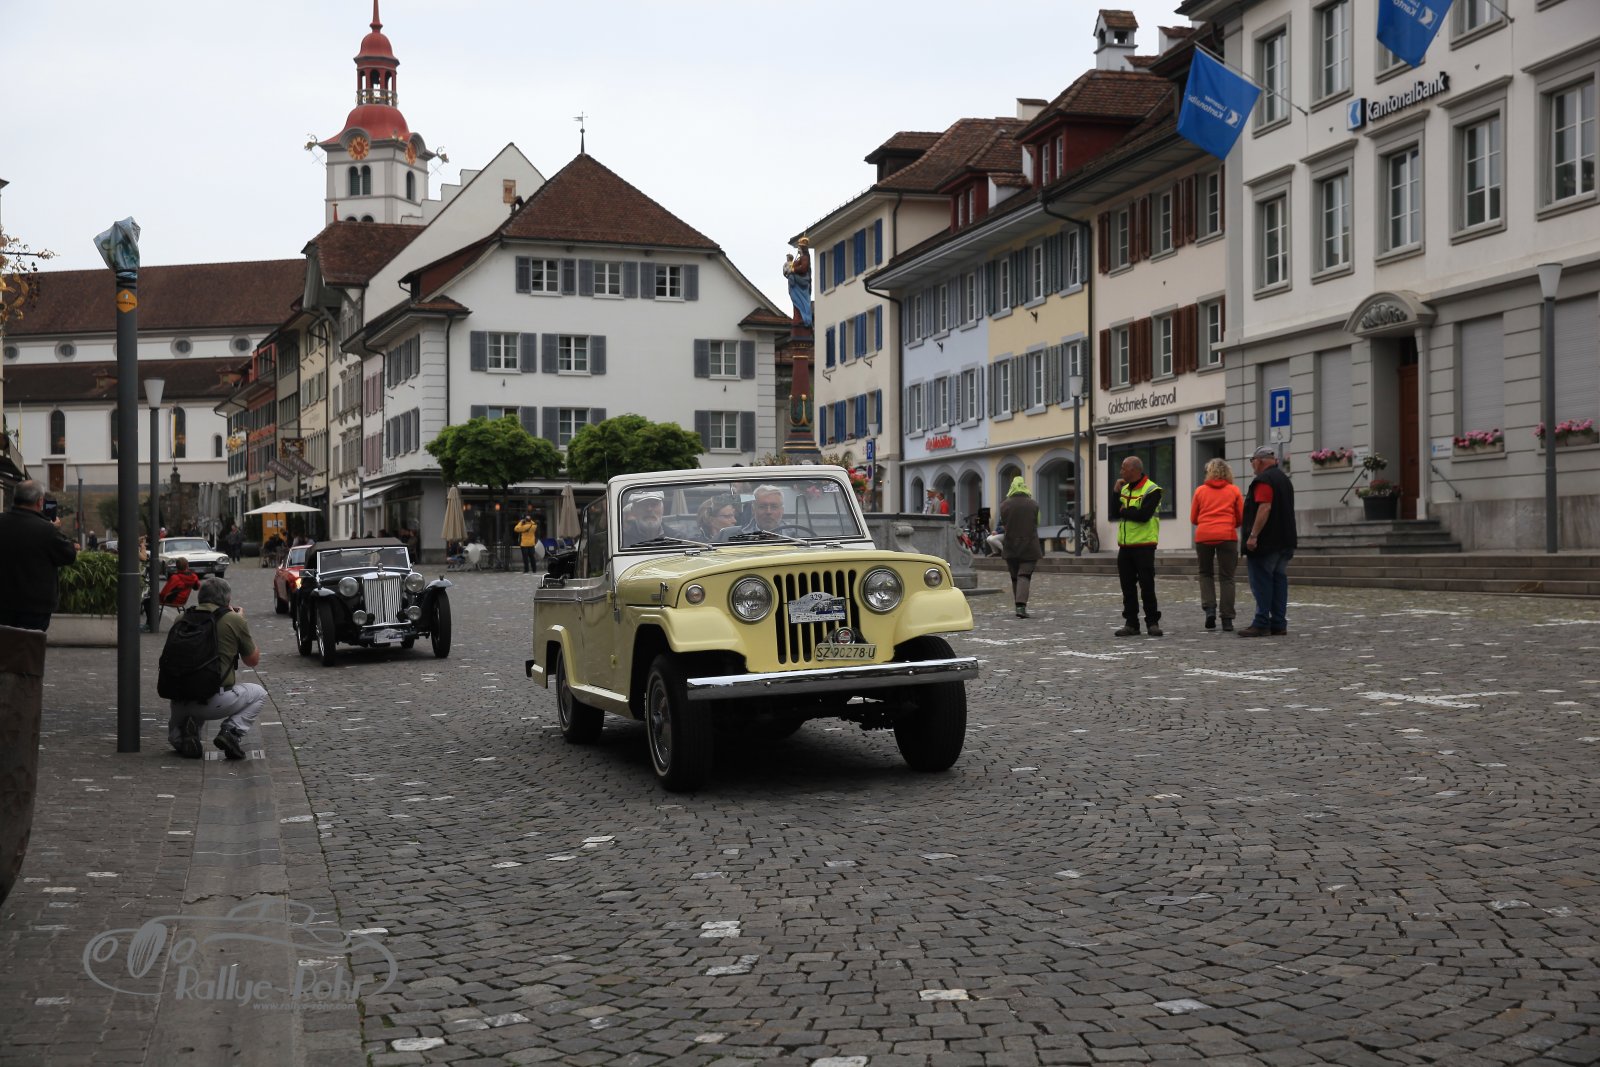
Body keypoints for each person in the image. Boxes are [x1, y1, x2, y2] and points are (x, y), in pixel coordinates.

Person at [165, 577, 266, 760]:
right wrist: (241, 623)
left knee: (178, 738)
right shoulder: (233, 619)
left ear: (200, 597)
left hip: (179, 699)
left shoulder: (182, 618)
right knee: (258, 693)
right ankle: (231, 732)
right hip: (215, 700)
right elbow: (252, 660)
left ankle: (184, 733)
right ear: (227, 600)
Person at [0, 479, 80, 631]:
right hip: (34, 607)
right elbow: (69, 555)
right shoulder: (46, 530)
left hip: (2, 603)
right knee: (30, 645)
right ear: (39, 502)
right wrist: (54, 529)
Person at [1239, 445, 1298, 638]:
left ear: (1260, 461)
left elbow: (1265, 507)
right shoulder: (1284, 479)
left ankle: (1261, 622)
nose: (1252, 464)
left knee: (1262, 582)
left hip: (1267, 542)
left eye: (1252, 460)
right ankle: (1279, 623)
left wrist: (1253, 535)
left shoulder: (1264, 480)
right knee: (1279, 581)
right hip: (1285, 540)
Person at [1190, 458, 1244, 632]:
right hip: (1227, 536)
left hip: (1204, 535)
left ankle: (1210, 609)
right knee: (1227, 577)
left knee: (1205, 573)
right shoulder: (1234, 490)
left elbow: (1193, 518)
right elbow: (1241, 517)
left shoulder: (1200, 491)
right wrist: (1229, 524)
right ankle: (1227, 619)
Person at [1112, 456, 1163, 637]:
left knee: (1147, 586)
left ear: (1134, 470)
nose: (1120, 472)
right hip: (1125, 546)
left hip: (1144, 545)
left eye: (1123, 468)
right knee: (1127, 587)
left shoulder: (1152, 489)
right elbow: (1114, 512)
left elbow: (1143, 515)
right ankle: (1131, 623)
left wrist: (1124, 511)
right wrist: (1116, 493)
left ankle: (1152, 623)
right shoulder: (1124, 489)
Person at [998, 477, 1041, 619]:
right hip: (1030, 546)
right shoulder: (1033, 504)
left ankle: (1018, 606)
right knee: (1024, 576)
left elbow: (1003, 523)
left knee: (1015, 577)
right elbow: (1038, 522)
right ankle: (1021, 607)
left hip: (1010, 546)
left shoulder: (1004, 505)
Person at [783, 237, 813, 328]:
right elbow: (795, 266)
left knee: (801, 301)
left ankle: (804, 318)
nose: (798, 249)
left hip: (802, 282)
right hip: (798, 283)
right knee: (796, 301)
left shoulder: (805, 257)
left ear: (803, 248)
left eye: (799, 247)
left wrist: (792, 270)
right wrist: (790, 268)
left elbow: (803, 268)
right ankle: (798, 317)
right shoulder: (800, 258)